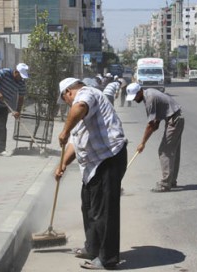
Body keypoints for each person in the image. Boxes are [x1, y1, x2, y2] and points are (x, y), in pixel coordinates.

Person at [55, 77, 128, 270]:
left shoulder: (86, 93)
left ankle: (107, 259)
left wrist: (64, 129)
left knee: (104, 211)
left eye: (65, 100)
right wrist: (62, 165)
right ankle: (93, 248)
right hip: (93, 165)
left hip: (108, 158)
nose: (67, 104)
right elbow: (73, 142)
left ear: (68, 92)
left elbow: (79, 106)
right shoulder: (77, 112)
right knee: (88, 207)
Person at [125, 82, 184, 192]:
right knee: (172, 151)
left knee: (164, 151)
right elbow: (156, 120)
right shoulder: (149, 93)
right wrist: (155, 124)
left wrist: (142, 143)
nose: (134, 100)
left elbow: (151, 125)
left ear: (139, 92)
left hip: (174, 120)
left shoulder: (149, 99)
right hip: (175, 118)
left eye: (134, 97)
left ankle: (165, 184)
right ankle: (171, 181)